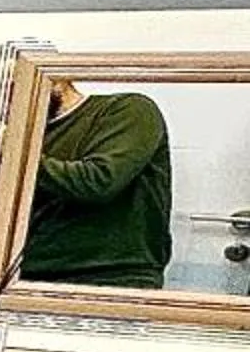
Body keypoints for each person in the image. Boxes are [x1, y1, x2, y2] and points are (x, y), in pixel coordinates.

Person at [21, 78, 173, 288]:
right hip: (29, 276)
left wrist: (12, 153)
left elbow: (99, 181)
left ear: (60, 77)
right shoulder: (29, 138)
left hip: (114, 277)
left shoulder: (128, 110)